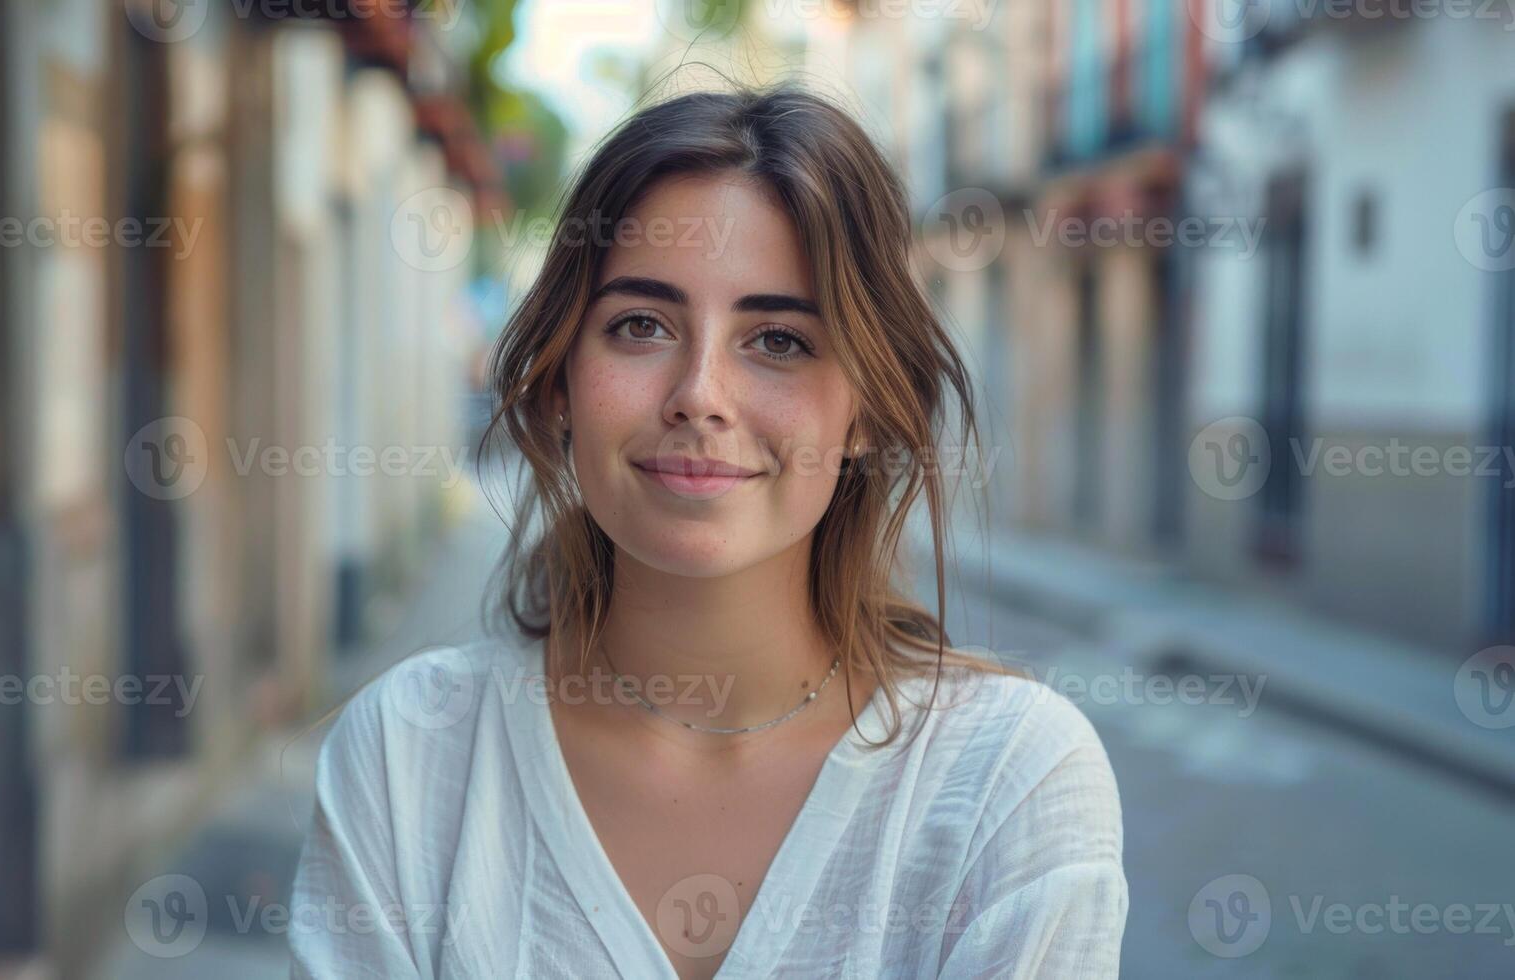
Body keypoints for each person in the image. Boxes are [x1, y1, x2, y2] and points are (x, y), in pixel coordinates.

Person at [289, 82, 1128, 979]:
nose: (699, 394)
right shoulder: (409, 754)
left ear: (868, 411)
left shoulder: (1010, 782)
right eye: (640, 325)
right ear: (561, 382)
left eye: (777, 340)